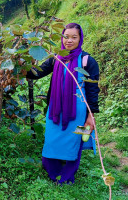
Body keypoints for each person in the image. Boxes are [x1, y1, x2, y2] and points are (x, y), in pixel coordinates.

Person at [27, 23, 100, 184]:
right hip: (55, 109)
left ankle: (67, 177)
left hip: (78, 112)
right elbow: (36, 73)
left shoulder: (87, 61)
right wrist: (21, 64)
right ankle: (53, 173)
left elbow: (93, 91)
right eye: (66, 37)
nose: (69, 40)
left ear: (80, 39)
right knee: (51, 141)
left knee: (75, 142)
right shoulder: (56, 59)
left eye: (74, 37)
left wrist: (90, 116)